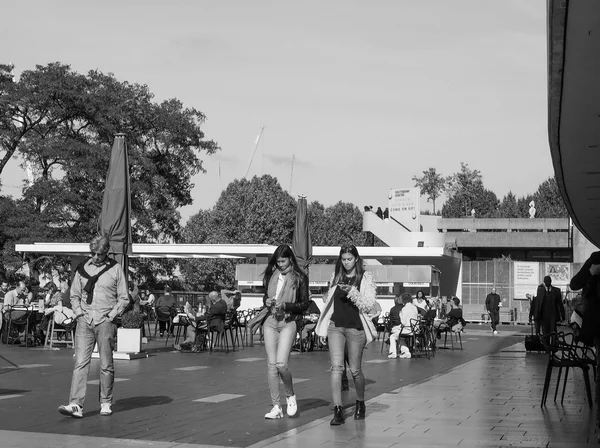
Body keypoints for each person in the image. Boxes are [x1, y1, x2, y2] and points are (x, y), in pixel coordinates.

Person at [58, 234, 129, 419]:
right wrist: (79, 313)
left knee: (106, 364)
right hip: (85, 321)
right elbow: (74, 295)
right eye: (93, 253)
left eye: (99, 253)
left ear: (106, 252)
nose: (95, 257)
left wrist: (111, 316)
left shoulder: (115, 269)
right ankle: (76, 404)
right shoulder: (82, 268)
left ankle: (106, 402)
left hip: (105, 321)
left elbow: (124, 298)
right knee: (80, 363)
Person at [315, 245, 377, 425]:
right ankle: (338, 409)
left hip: (356, 328)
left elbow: (367, 304)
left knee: (355, 370)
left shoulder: (365, 277)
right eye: (343, 259)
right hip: (336, 326)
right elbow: (330, 303)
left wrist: (351, 291)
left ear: (356, 258)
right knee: (336, 368)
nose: (346, 262)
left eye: (349, 258)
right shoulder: (336, 275)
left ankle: (360, 402)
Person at [262, 244, 309, 420]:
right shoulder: (271, 275)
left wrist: (287, 305)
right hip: (270, 321)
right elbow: (265, 296)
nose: (280, 264)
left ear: (290, 259)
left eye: (283, 261)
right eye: (278, 261)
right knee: (271, 365)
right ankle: (276, 406)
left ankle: (290, 395)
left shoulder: (300, 278)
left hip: (288, 321)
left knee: (281, 364)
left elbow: (304, 304)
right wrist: (266, 301)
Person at [533, 276, 564, 341]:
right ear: (544, 282)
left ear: (551, 281)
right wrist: (536, 315)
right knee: (545, 333)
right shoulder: (540, 290)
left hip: (553, 315)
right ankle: (547, 348)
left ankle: (553, 347)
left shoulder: (556, 291)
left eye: (549, 281)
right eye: (546, 281)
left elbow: (560, 304)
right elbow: (538, 304)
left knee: (553, 332)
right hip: (544, 316)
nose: (547, 283)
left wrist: (562, 315)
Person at [388, 293, 419, 359]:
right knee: (399, 336)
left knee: (393, 336)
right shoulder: (415, 308)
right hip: (415, 329)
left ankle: (393, 353)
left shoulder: (404, 309)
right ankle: (405, 352)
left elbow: (403, 322)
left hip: (407, 330)